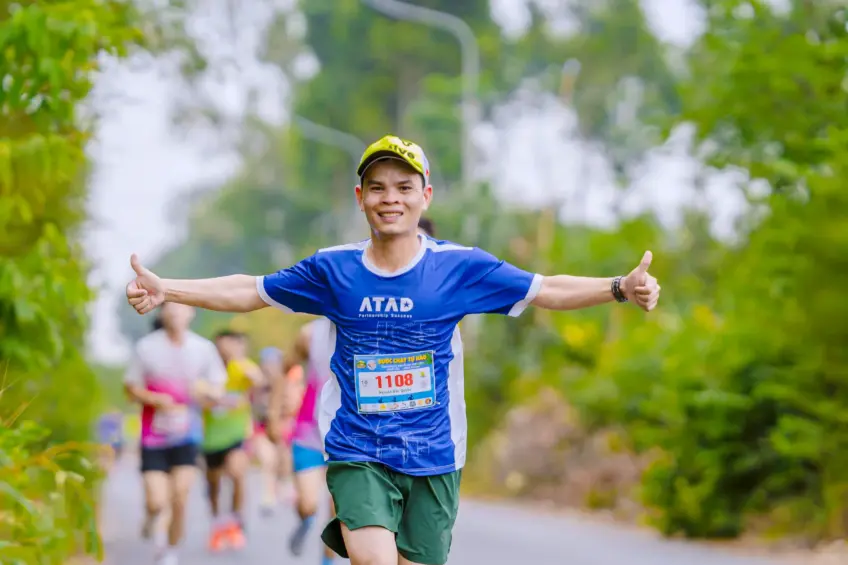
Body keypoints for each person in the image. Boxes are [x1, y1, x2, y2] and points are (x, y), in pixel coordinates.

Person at [125, 134, 661, 565]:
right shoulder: (333, 269)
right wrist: (168, 288)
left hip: (435, 454)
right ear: (360, 198)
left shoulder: (458, 267)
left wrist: (619, 286)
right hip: (359, 447)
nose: (390, 199)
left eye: (404, 187)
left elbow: (546, 289)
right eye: (377, 188)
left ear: (425, 196)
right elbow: (251, 290)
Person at [124, 303, 227, 565]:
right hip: (153, 437)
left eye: (181, 309)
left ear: (191, 313)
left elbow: (218, 387)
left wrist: (206, 394)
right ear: (161, 314)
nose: (175, 314)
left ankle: (170, 550)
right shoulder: (146, 347)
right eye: (169, 309)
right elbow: (130, 387)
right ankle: (151, 515)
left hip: (187, 434)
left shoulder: (203, 348)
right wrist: (154, 398)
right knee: (158, 501)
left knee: (180, 496)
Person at [268, 317, 336, 565]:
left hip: (347, 437)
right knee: (308, 503)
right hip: (309, 432)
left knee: (337, 510)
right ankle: (306, 519)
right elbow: (284, 371)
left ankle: (327, 561)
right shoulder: (310, 334)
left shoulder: (370, 326)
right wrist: (274, 415)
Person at [201, 330, 260, 551]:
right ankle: (217, 524)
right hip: (211, 438)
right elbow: (196, 394)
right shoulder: (206, 371)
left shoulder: (242, 367)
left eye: (229, 347)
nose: (224, 352)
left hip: (237, 434)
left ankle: (236, 522)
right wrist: (216, 400)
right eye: (220, 348)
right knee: (214, 485)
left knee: (237, 474)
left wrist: (240, 359)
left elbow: (259, 380)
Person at [251, 346, 284, 516]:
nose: (269, 367)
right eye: (267, 363)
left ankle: (282, 486)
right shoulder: (256, 383)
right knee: (267, 460)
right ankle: (268, 495)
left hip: (282, 427)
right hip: (260, 427)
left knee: (281, 461)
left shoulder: (286, 382)